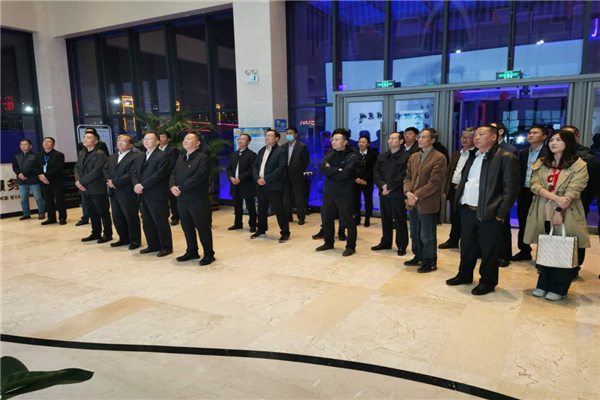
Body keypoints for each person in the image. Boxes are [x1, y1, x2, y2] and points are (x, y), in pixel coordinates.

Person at [446, 125, 519, 295]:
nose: (476, 137)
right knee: (467, 246)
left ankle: (487, 282)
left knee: (489, 250)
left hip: (489, 212)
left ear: (493, 137)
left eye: (481, 134)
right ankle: (464, 275)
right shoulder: (473, 156)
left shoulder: (506, 157)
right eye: (476, 135)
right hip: (467, 209)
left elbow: (511, 190)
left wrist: (500, 214)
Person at [524, 129, 590, 300]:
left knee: (563, 249)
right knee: (545, 247)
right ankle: (543, 284)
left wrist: (559, 210)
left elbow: (574, 190)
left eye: (558, 140)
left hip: (567, 212)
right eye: (552, 140)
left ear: (569, 143)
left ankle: (559, 288)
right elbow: (534, 185)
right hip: (542, 211)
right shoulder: (542, 163)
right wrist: (555, 198)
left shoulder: (579, 165)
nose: (553, 143)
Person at [403, 129, 447, 273]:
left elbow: (435, 183)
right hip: (412, 201)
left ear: (432, 140)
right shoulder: (414, 156)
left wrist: (415, 196)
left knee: (426, 235)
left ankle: (430, 261)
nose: (420, 139)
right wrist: (408, 192)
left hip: (427, 202)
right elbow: (408, 177)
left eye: (424, 137)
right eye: (419, 137)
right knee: (414, 233)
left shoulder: (439, 157)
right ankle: (418, 256)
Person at [171, 132, 215, 266]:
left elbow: (199, 176)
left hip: (197, 198)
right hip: (182, 198)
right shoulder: (181, 158)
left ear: (197, 143)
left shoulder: (203, 158)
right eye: (185, 139)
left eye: (189, 139)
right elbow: (173, 174)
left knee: (202, 227)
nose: (185, 141)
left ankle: (209, 254)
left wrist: (181, 187)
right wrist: (172, 186)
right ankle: (192, 251)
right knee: (187, 226)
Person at [316, 128, 360, 257]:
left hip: (344, 192)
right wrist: (338, 170)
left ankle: (350, 246)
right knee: (327, 219)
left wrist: (332, 170)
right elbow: (322, 169)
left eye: (337, 139)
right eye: (333, 139)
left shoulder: (352, 155)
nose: (333, 142)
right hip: (329, 191)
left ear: (345, 142)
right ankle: (328, 242)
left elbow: (346, 173)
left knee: (348, 220)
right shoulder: (331, 153)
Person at [561, 125, 600, 268]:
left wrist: (582, 201)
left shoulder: (587, 158)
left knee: (575, 236)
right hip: (553, 203)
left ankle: (574, 266)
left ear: (577, 137)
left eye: (569, 136)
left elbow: (593, 186)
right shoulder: (553, 156)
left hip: (577, 204)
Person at [131, 132, 174, 257]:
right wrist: (136, 184)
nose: (146, 141)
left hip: (156, 193)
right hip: (142, 193)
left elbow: (160, 173)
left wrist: (142, 185)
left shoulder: (162, 155)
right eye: (145, 139)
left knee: (160, 220)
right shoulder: (141, 155)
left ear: (157, 142)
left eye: (150, 139)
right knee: (147, 220)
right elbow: (133, 172)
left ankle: (166, 247)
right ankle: (153, 245)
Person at [511, 125, 548, 262]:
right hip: (525, 191)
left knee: (543, 223)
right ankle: (524, 251)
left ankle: (544, 255)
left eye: (535, 133)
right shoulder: (523, 153)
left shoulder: (548, 152)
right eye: (530, 133)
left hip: (542, 192)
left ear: (544, 137)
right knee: (523, 221)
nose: (531, 135)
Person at [372, 132, 411, 255]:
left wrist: (389, 186)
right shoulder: (383, 156)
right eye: (389, 138)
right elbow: (376, 172)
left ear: (401, 141)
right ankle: (386, 242)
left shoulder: (407, 157)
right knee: (385, 219)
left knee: (400, 220)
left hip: (397, 193)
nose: (390, 140)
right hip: (384, 193)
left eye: (394, 138)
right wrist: (382, 186)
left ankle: (402, 245)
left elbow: (404, 175)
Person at [439, 127, 476, 249]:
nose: (465, 139)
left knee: (465, 218)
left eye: (468, 137)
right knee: (454, 217)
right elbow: (450, 171)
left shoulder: (476, 154)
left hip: (466, 190)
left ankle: (467, 243)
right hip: (453, 188)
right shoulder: (457, 153)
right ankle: (453, 240)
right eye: (463, 137)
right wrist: (446, 189)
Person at [104, 134, 141, 250]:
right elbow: (105, 170)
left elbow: (131, 173)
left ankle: (135, 240)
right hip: (113, 191)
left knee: (130, 216)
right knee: (117, 216)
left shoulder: (135, 157)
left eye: (124, 141)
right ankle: (123, 238)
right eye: (118, 140)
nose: (120, 143)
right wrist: (109, 181)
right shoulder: (112, 157)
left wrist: (115, 182)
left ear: (130, 145)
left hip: (127, 191)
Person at [252, 129, 290, 242]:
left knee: (279, 210)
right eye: (266, 136)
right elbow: (254, 166)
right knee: (261, 209)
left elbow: (280, 168)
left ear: (276, 139)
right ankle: (261, 229)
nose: (266, 138)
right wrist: (257, 178)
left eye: (270, 136)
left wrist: (266, 179)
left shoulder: (281, 151)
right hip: (260, 185)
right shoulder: (262, 150)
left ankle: (285, 232)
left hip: (274, 186)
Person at [75, 129, 112, 243]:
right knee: (91, 211)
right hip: (84, 187)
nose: (85, 140)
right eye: (84, 138)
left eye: (89, 138)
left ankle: (107, 234)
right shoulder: (81, 153)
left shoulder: (100, 154)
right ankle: (95, 233)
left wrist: (81, 182)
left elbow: (97, 171)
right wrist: (77, 181)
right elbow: (77, 168)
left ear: (96, 141)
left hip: (97, 187)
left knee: (102, 211)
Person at [490, 122, 518, 268]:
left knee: (503, 225)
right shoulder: (484, 149)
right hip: (487, 194)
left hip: (501, 193)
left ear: (500, 132)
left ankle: (504, 255)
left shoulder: (509, 150)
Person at [226, 133, 257, 232]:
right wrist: (231, 177)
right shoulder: (233, 154)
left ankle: (252, 224)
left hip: (246, 183)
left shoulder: (252, 155)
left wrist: (240, 178)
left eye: (243, 139)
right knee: (237, 204)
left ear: (248, 142)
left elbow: (252, 170)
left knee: (250, 205)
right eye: (239, 139)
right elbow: (228, 168)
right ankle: (238, 223)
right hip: (234, 183)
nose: (240, 140)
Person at [281, 127, 310, 225]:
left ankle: (301, 217)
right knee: (286, 197)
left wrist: (299, 169)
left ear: (296, 134)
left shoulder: (302, 146)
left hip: (297, 174)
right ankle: (288, 216)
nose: (289, 135)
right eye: (287, 133)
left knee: (298, 196)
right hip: (285, 174)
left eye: (291, 133)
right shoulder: (283, 146)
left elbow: (306, 161)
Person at [13, 139, 46, 220]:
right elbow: (15, 167)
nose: (23, 146)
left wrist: (24, 174)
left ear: (30, 146)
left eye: (25, 144)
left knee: (38, 198)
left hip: (33, 181)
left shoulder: (36, 156)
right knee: (23, 199)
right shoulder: (17, 156)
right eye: (21, 144)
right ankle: (26, 214)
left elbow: (35, 167)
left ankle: (41, 213)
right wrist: (19, 174)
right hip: (22, 181)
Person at [37, 137, 66, 225]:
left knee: (59, 200)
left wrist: (46, 176)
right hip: (43, 181)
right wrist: (42, 177)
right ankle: (51, 218)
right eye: (45, 142)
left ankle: (62, 218)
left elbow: (58, 167)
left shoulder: (59, 155)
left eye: (48, 142)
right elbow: (35, 167)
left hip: (56, 180)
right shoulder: (38, 155)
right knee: (48, 200)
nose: (46, 143)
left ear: (53, 145)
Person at [354, 135, 377, 227]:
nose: (361, 144)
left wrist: (365, 179)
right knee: (356, 199)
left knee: (368, 199)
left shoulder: (372, 154)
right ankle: (357, 217)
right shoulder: (354, 154)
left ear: (368, 144)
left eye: (363, 142)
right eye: (359, 142)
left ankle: (367, 218)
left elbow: (373, 168)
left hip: (367, 181)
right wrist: (356, 178)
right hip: (356, 181)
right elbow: (352, 167)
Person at [159, 132, 181, 226]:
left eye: (163, 137)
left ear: (168, 139)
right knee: (162, 199)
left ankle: (175, 217)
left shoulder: (172, 149)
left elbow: (172, 164)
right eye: (159, 137)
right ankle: (164, 217)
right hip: (158, 180)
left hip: (168, 178)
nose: (160, 139)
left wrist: (161, 173)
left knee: (172, 199)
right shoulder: (156, 150)